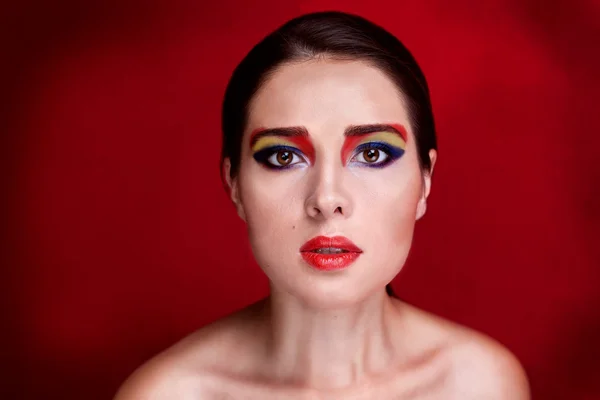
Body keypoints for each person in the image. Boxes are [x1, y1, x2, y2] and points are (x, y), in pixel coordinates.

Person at [114, 11, 530, 399]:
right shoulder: (170, 393)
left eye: (372, 154)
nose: (327, 199)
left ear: (424, 182)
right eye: (283, 156)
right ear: (234, 184)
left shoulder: (477, 383)